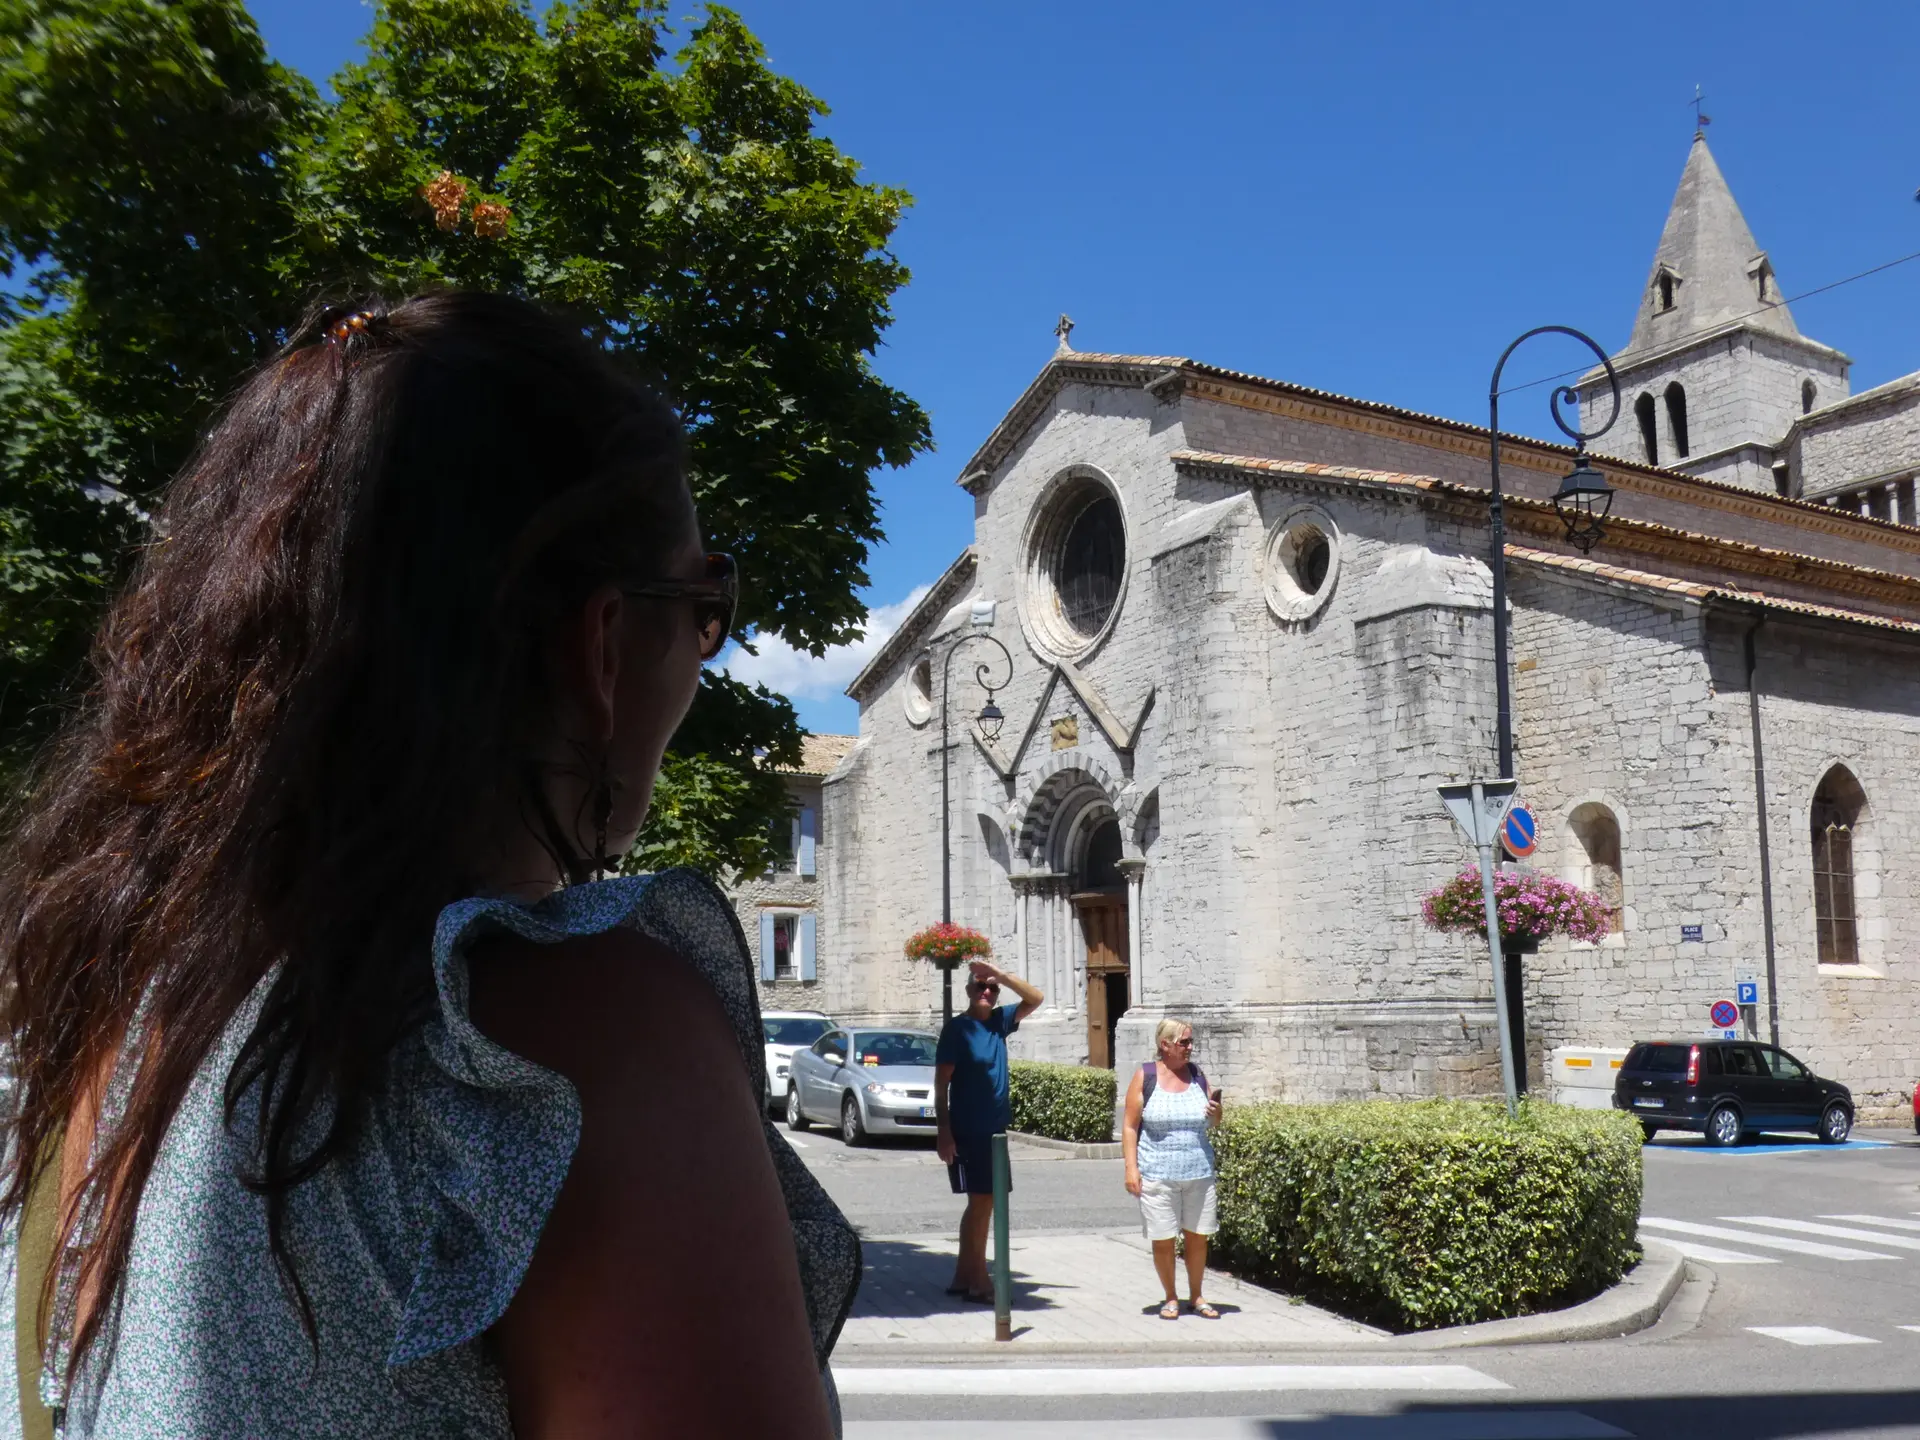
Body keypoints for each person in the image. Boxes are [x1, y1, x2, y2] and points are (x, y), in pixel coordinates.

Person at [0, 293, 855, 1438]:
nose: (706, 655)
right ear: (602, 643)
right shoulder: (573, 1043)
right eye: (705, 606)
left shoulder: (119, 1010)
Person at [934, 960, 1043, 1302]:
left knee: (982, 1204)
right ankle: (979, 1282)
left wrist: (1003, 976)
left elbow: (1035, 999)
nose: (986, 992)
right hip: (970, 1130)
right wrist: (944, 1132)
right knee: (983, 1202)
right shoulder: (957, 1030)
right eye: (980, 987)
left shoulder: (1000, 1022)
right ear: (968, 991)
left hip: (995, 1131)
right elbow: (940, 1086)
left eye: (991, 988)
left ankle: (964, 1277)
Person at [1121, 1018, 1224, 1320]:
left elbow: (1211, 1123)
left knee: (1197, 1236)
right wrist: (1131, 1168)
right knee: (1163, 1238)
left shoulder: (1196, 1075)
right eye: (1184, 1042)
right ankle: (1170, 1297)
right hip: (1156, 1172)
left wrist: (1217, 1114)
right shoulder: (1146, 1076)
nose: (1190, 1047)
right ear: (1164, 1045)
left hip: (1199, 1171)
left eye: (1191, 1041)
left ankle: (1197, 1295)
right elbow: (1129, 1126)